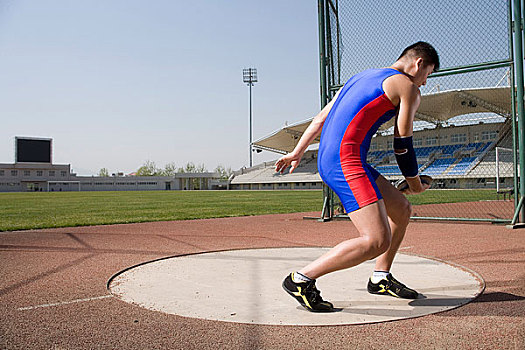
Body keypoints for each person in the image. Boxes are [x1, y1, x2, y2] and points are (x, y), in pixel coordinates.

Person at [275, 42, 439, 312]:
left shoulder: (360, 77)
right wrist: (415, 184)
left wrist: (296, 152)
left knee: (401, 209)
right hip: (345, 160)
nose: (424, 82)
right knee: (376, 239)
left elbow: (319, 119)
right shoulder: (406, 86)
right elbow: (403, 145)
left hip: (335, 157)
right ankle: (301, 280)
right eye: (428, 75)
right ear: (419, 63)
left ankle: (380, 277)